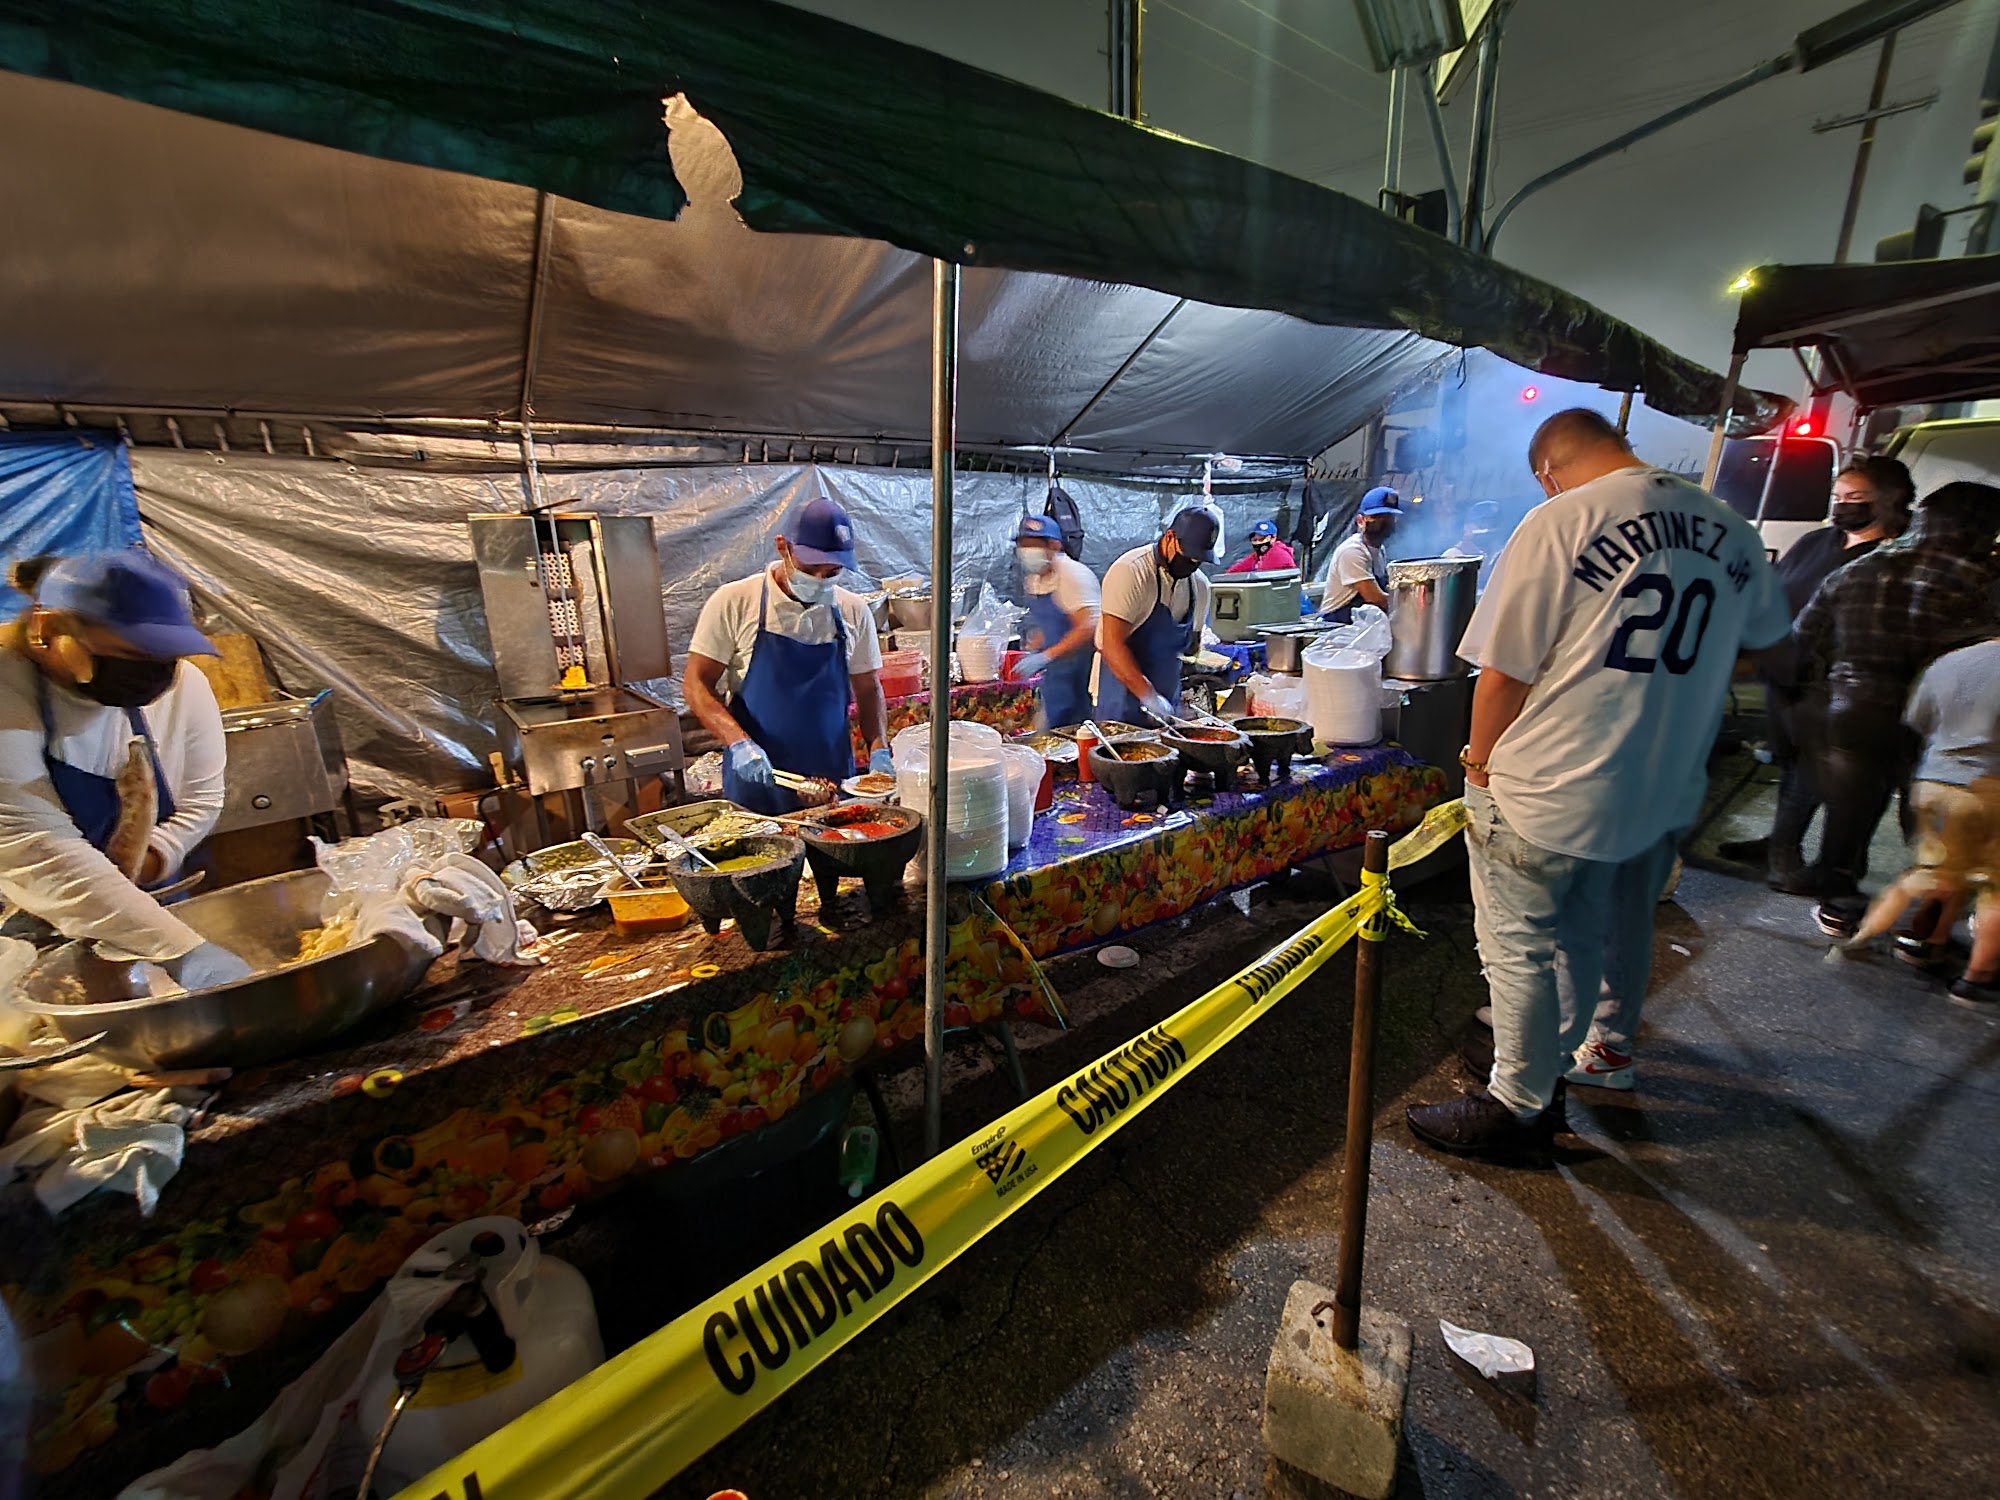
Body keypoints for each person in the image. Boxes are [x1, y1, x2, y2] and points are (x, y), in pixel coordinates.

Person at [1406, 410, 1789, 1157]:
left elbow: (1503, 671)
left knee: (1519, 944)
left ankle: (1518, 1106)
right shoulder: (1730, 527)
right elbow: (1768, 652)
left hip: (1551, 781)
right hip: (1663, 783)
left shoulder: (1561, 519)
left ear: (1547, 466)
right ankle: (1583, 1059)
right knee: (1595, 929)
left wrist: (1479, 763)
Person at [0, 550, 244, 986]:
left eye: (164, 654)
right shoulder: (7, 693)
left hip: (158, 909)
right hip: (39, 928)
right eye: (129, 651)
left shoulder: (184, 685)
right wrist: (183, 951)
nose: (152, 672)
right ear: (47, 628)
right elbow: (35, 842)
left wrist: (145, 863)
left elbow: (201, 798)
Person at [1793, 481, 2000, 931]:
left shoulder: (1859, 569)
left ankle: (1838, 905)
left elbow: (1803, 637)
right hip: (1940, 718)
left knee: (1849, 811)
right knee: (1933, 823)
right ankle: (1931, 924)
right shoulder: (1981, 579)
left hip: (1853, 706)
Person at [1719, 456, 1912, 889]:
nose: (1843, 506)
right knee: (1790, 761)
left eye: (1855, 498)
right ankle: (1780, 842)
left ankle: (1794, 856)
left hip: (1840, 682)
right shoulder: (1818, 542)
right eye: (1838, 497)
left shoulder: (1896, 557)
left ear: (1891, 499)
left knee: (1815, 769)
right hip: (1784, 669)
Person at [684, 494, 892, 814]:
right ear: (783, 547)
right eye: (811, 569)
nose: (821, 579)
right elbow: (696, 684)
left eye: (833, 571)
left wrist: (879, 749)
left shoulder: (854, 610)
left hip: (833, 783)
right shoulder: (735, 602)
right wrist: (737, 743)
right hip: (757, 783)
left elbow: (868, 688)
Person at [1839, 633, 2000, 1006]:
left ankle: (1926, 944)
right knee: (1995, 885)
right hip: (1990, 788)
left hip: (1934, 785)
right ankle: (1977, 978)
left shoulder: (1950, 661)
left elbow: (1918, 720)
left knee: (1942, 871)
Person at [1095, 506, 1220, 727]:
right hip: (1122, 698)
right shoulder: (1131, 571)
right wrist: (1149, 696)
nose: (1192, 563)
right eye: (1188, 555)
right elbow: (1111, 644)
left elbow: (1191, 648)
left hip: (1167, 701)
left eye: (1199, 559)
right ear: (1170, 537)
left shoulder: (1199, 586)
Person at [1005, 514, 1100, 729]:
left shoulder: (1073, 575)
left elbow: (1088, 627)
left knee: (1073, 731)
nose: (1026, 551)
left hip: (1077, 672)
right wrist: (1033, 648)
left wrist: (1047, 656)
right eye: (1023, 544)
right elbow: (1051, 622)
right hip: (1053, 674)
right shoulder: (1035, 577)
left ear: (1054, 545)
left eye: (1034, 545)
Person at [1319, 487, 1399, 621]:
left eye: (1388, 517)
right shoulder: (1353, 550)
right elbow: (1375, 599)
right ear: (1360, 520)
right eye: (1376, 517)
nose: (1383, 522)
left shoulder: (1380, 550)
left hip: (1362, 623)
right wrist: (1408, 606)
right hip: (1338, 627)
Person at [1225, 519, 1295, 574]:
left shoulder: (1279, 553)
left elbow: (1261, 574)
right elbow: (1234, 571)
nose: (1258, 542)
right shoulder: (1257, 556)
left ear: (1273, 538)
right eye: (1255, 539)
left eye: (1262, 539)